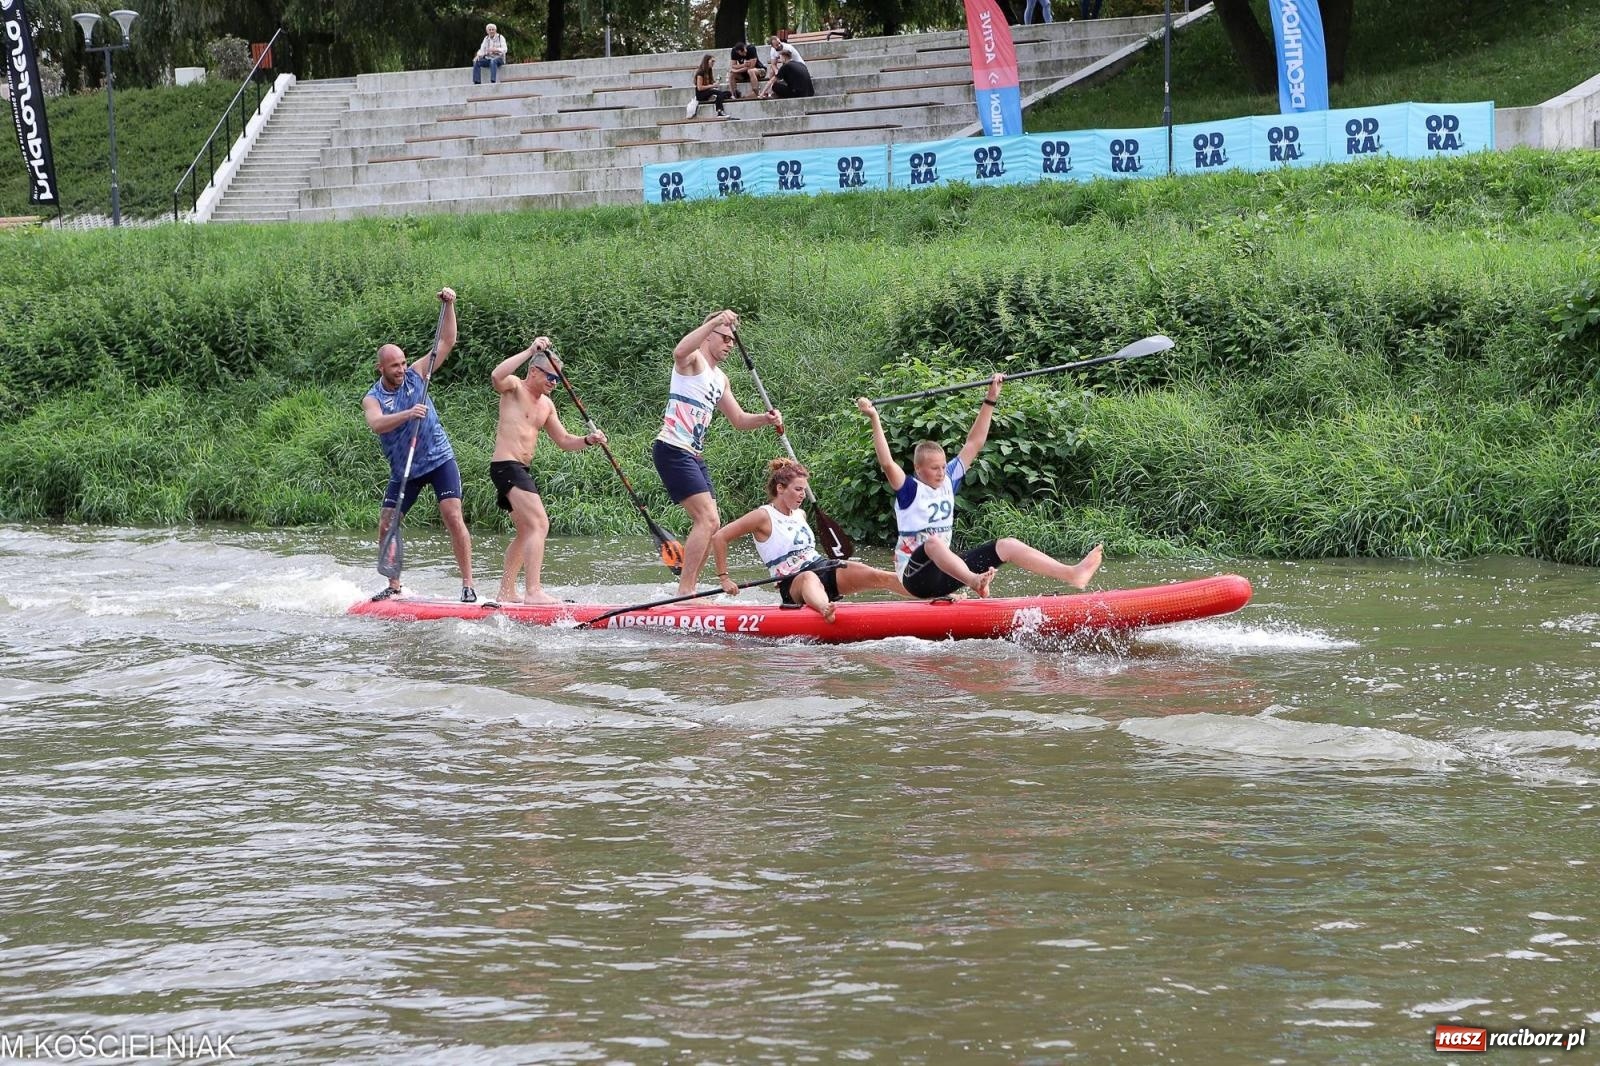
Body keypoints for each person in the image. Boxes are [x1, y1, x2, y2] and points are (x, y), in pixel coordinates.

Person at [855, 377, 1104, 599]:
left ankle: (1072, 574)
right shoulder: (909, 489)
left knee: (1006, 545)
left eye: (943, 466)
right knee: (933, 544)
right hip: (914, 578)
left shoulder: (949, 479)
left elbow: (974, 442)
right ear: (918, 469)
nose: (941, 472)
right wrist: (874, 417)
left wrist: (991, 398)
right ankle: (975, 582)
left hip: (946, 575)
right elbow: (887, 463)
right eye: (934, 468)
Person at [652, 309, 784, 595]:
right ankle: (685, 592)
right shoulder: (693, 361)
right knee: (707, 519)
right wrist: (715, 320)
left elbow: (739, 420)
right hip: (672, 448)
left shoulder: (721, 379)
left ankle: (690, 588)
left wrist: (766, 418)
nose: (729, 344)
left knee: (713, 523)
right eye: (724, 337)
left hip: (694, 455)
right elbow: (678, 352)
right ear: (708, 334)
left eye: (732, 340)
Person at [363, 288, 476, 602]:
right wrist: (408, 414)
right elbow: (376, 424)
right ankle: (394, 586)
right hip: (406, 470)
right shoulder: (373, 398)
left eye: (402, 363)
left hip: (439, 459)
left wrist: (450, 305)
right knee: (387, 523)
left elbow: (447, 341)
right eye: (394, 366)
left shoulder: (417, 374)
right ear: (381, 369)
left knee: (452, 515)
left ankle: (468, 585)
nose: (401, 369)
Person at [711, 458, 905, 623]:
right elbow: (720, 537)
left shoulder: (800, 514)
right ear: (780, 488)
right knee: (808, 577)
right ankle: (825, 609)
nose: (803, 494)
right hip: (793, 582)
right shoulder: (762, 516)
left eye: (804, 490)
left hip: (821, 567)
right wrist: (724, 578)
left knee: (877, 575)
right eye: (798, 489)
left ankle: (923, 592)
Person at [488, 338, 607, 605]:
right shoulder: (514, 387)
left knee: (525, 531)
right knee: (540, 524)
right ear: (533, 371)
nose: (554, 383)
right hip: (506, 466)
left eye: (558, 379)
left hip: (520, 468)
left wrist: (588, 440)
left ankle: (506, 592)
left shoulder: (546, 406)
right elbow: (497, 375)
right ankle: (533, 592)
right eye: (550, 377)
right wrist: (530, 350)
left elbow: (564, 440)